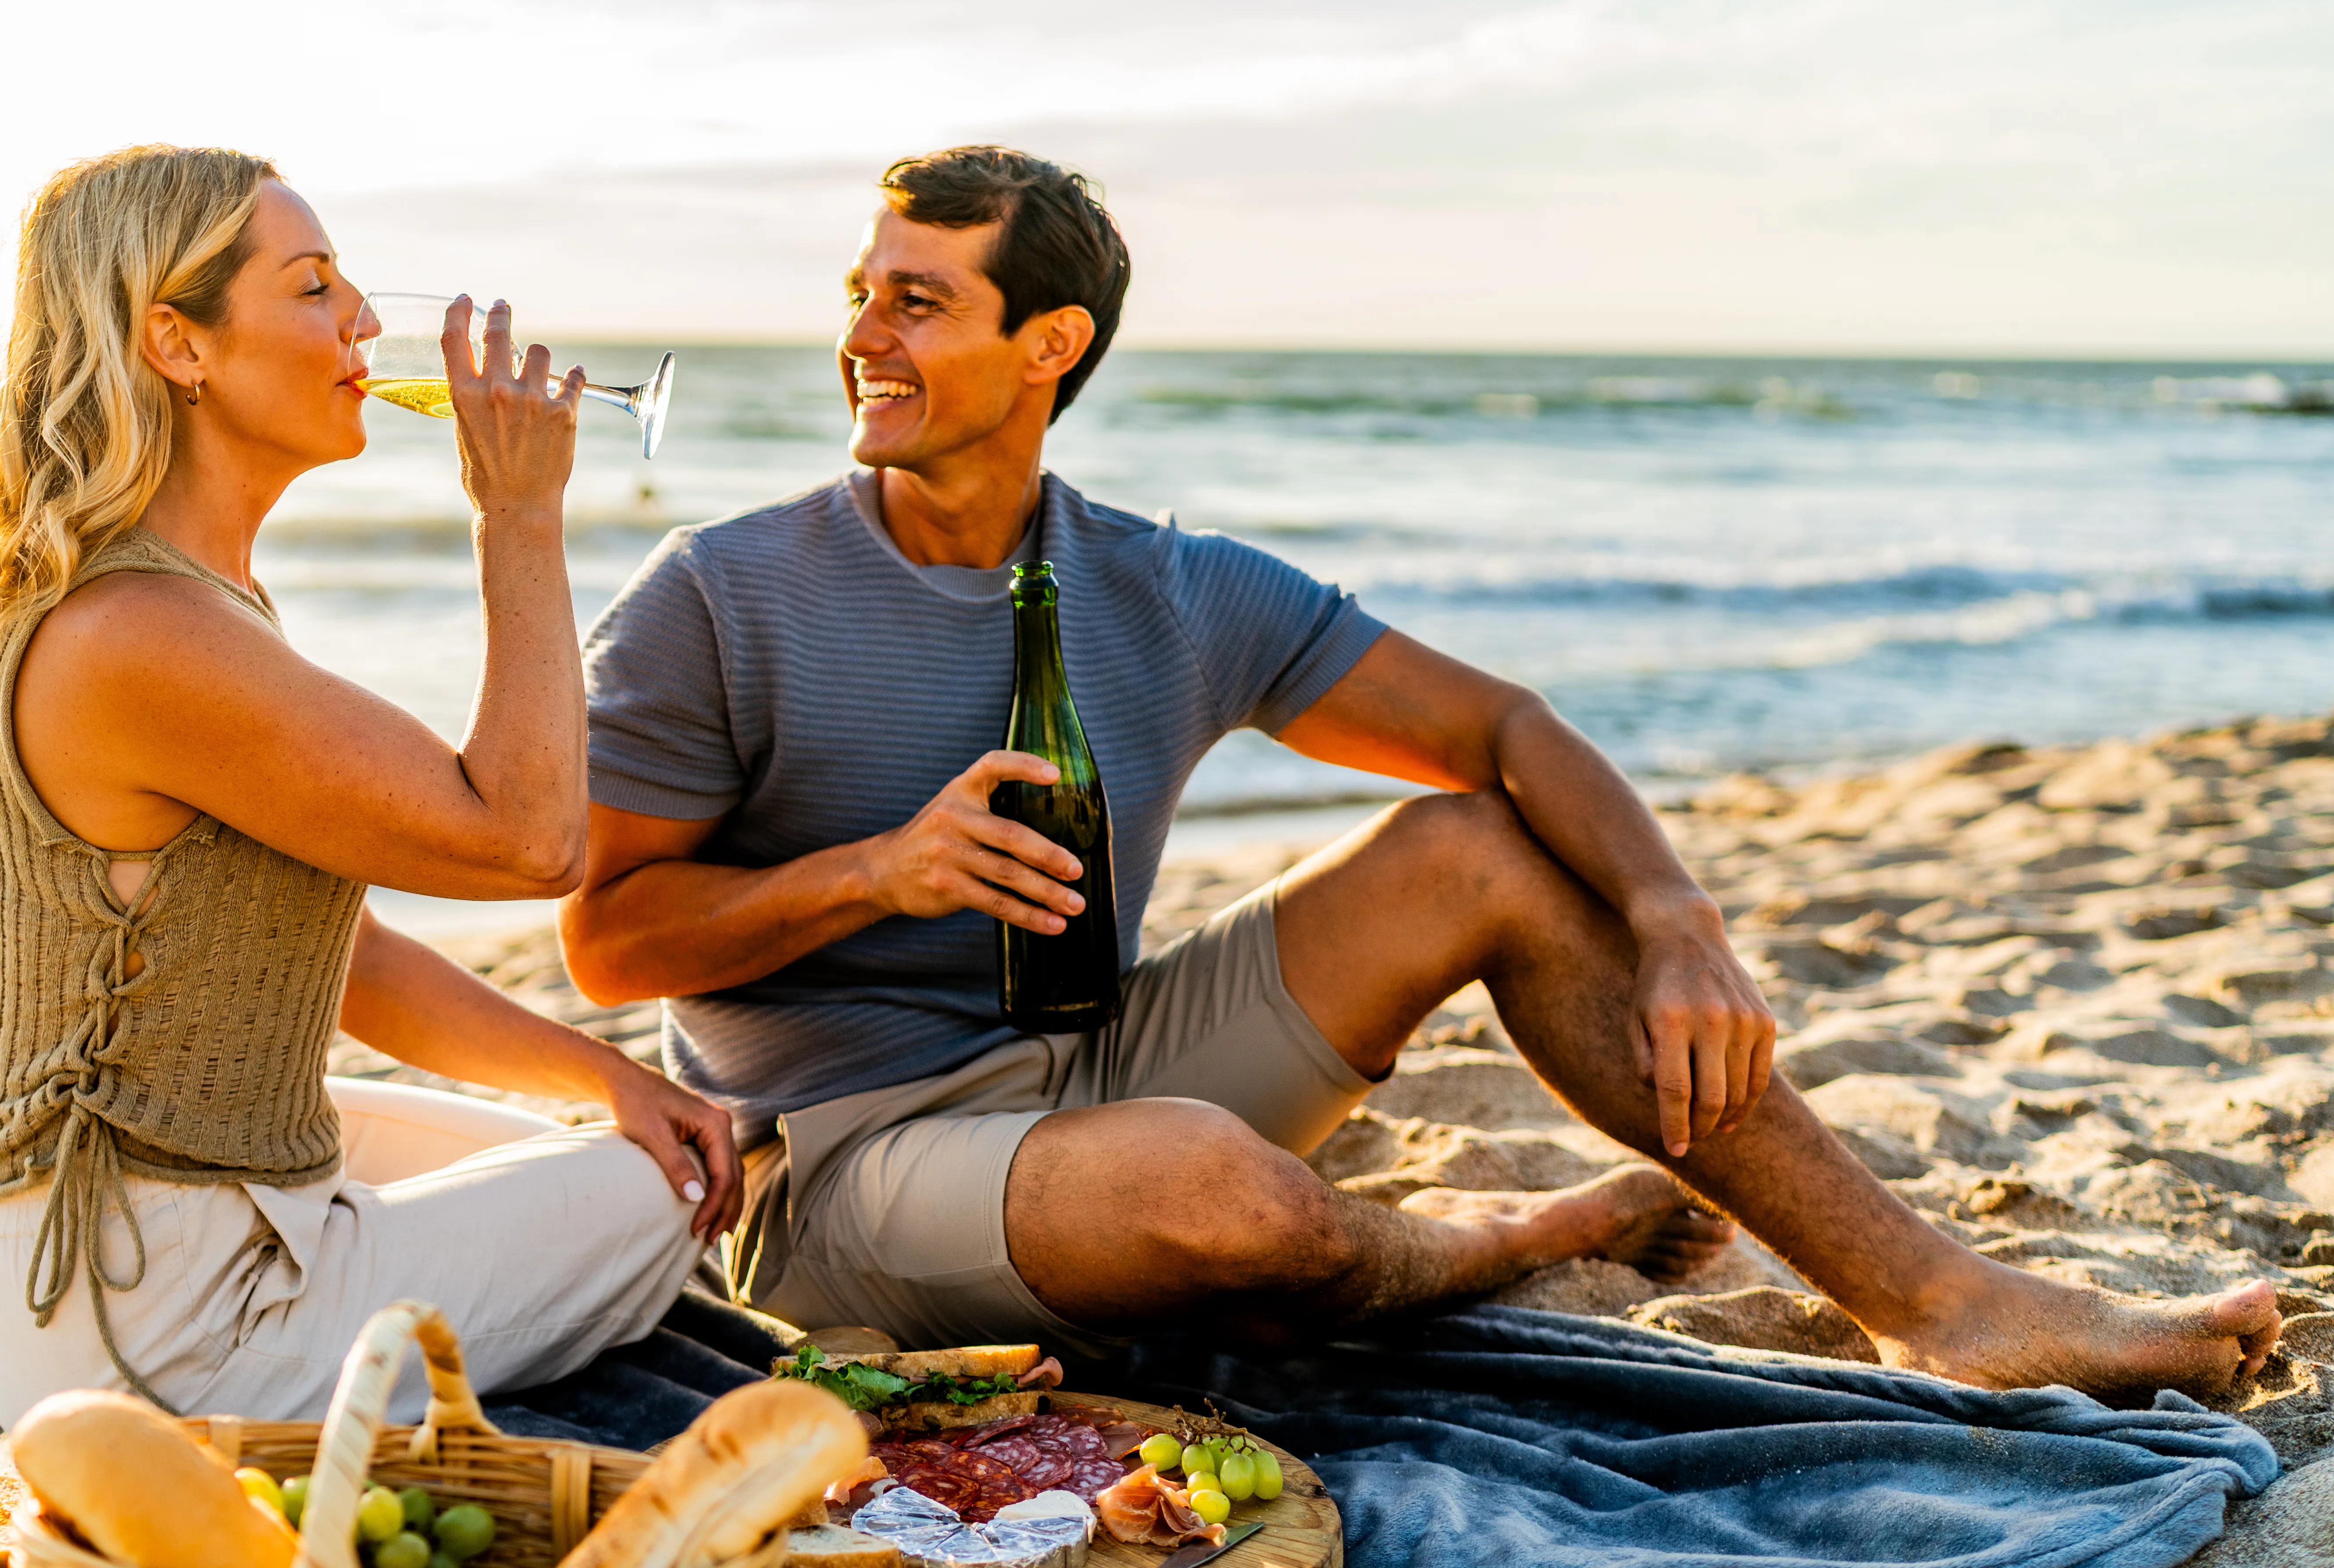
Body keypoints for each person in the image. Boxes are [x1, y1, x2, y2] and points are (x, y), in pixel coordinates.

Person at [559, 143, 2281, 1402]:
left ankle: (1936, 1293)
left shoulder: (1167, 584)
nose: (863, 335)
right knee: (1217, 1196)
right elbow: (607, 943)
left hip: (1100, 1060)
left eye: (916, 301)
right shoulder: (722, 592)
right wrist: (878, 871)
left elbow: (1508, 730)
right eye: (862, 293)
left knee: (1472, 846)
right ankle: (1490, 1242)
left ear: (1048, 346)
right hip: (844, 1164)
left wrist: (1679, 918)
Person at [0, 144, 738, 1425]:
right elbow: (531, 841)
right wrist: (518, 517)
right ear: (177, 344)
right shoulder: (141, 633)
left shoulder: (180, 600)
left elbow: (332, 954)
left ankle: (392, 1262)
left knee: (620, 1141)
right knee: (661, 1198)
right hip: (156, 1330)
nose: (363, 320)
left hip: (114, 1238)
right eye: (313, 287)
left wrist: (612, 1078)